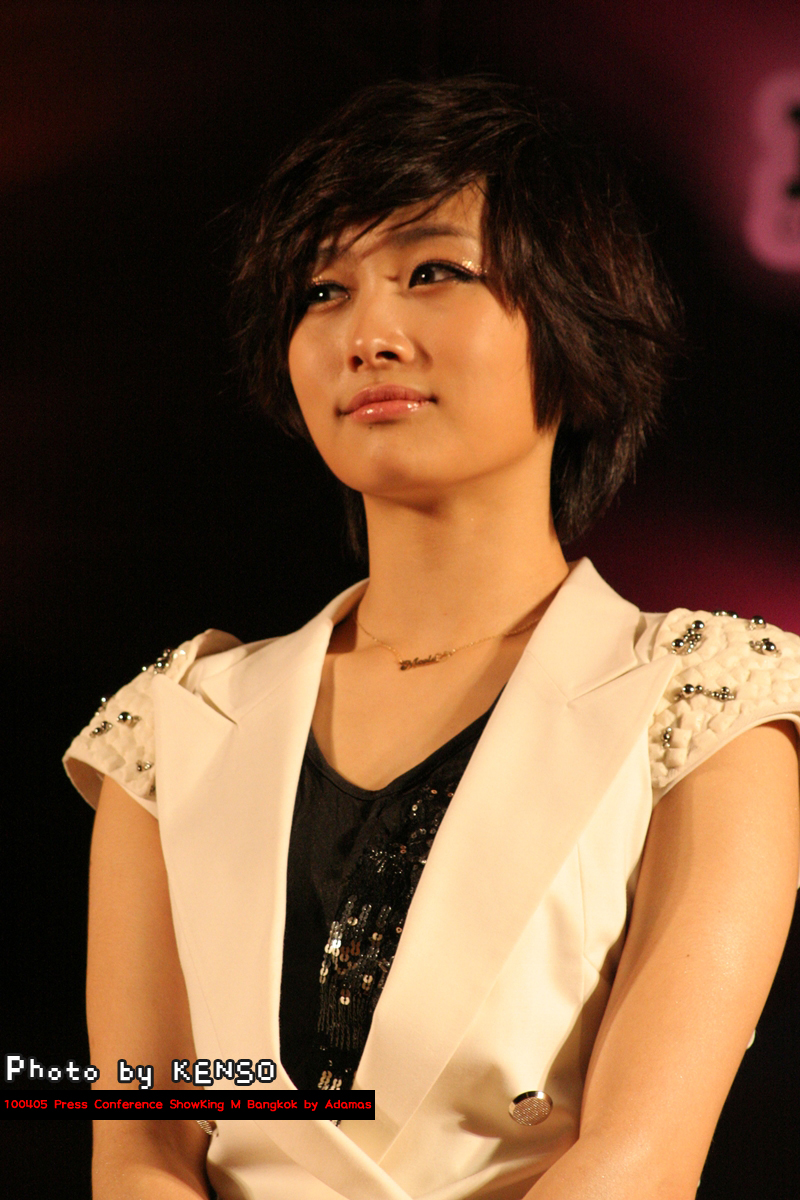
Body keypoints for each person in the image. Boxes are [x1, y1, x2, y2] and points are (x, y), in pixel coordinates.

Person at [64, 78, 800, 1200]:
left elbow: (638, 1160)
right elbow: (140, 1144)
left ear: (572, 324)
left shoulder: (705, 705)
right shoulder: (175, 723)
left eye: (432, 273)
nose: (367, 335)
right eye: (322, 290)